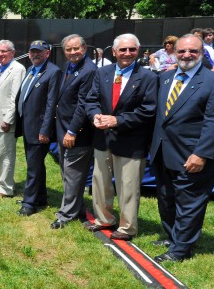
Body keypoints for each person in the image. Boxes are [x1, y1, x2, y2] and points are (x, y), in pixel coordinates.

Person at [84, 33, 157, 241]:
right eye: (122, 49)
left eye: (131, 49)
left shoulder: (149, 77)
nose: (127, 53)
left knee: (128, 186)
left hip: (131, 140)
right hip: (102, 138)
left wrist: (118, 121)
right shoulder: (102, 73)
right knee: (100, 182)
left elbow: (148, 110)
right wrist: (94, 115)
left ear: (138, 51)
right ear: (114, 52)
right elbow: (91, 99)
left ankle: (127, 228)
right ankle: (104, 219)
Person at [150, 34, 214, 263]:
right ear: (174, 53)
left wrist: (202, 154)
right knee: (166, 198)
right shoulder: (165, 78)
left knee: (190, 204)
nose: (187, 55)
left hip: (192, 156)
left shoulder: (210, 81)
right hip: (162, 153)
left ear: (202, 54)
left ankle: (180, 250)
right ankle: (172, 237)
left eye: (193, 52)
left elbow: (212, 121)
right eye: (182, 51)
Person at [50, 34, 97, 229]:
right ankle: (76, 208)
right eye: (68, 49)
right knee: (67, 173)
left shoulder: (89, 70)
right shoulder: (68, 67)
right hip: (63, 130)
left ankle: (66, 215)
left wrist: (72, 131)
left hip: (77, 133)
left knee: (73, 175)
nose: (72, 52)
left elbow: (83, 105)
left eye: (76, 48)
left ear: (84, 48)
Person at [15, 40, 60, 216]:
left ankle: (29, 203)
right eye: (32, 52)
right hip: (27, 126)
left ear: (47, 53)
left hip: (39, 128)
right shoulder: (31, 69)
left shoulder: (53, 72)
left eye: (39, 52)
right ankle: (40, 197)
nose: (35, 55)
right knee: (36, 164)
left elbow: (51, 104)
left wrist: (45, 129)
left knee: (33, 167)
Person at [0, 40, 25, 199]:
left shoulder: (18, 69)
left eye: (4, 51)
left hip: (5, 121)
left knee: (6, 156)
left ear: (13, 52)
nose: (0, 54)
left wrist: (8, 119)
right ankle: (1, 183)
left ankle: (6, 189)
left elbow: (15, 97)